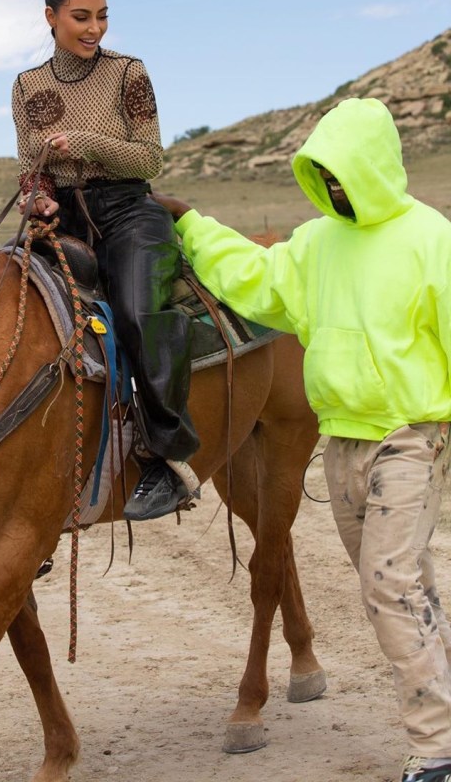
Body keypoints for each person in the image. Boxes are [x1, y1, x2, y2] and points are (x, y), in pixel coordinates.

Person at [155, 97, 451, 782]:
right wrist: (194, 225)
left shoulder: (431, 238)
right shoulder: (317, 243)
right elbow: (258, 282)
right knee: (408, 590)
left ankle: (436, 751)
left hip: (411, 439)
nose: (338, 185)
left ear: (375, 165)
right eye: (326, 173)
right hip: (341, 444)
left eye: (346, 171)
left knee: (390, 587)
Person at [11, 0, 200, 521]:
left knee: (139, 313)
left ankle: (169, 458)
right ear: (50, 17)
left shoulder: (127, 73)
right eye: (81, 17)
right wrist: (37, 198)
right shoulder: (28, 86)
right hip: (63, 221)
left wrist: (88, 142)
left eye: (102, 17)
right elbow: (31, 167)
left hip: (127, 213)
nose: (95, 29)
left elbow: (149, 158)